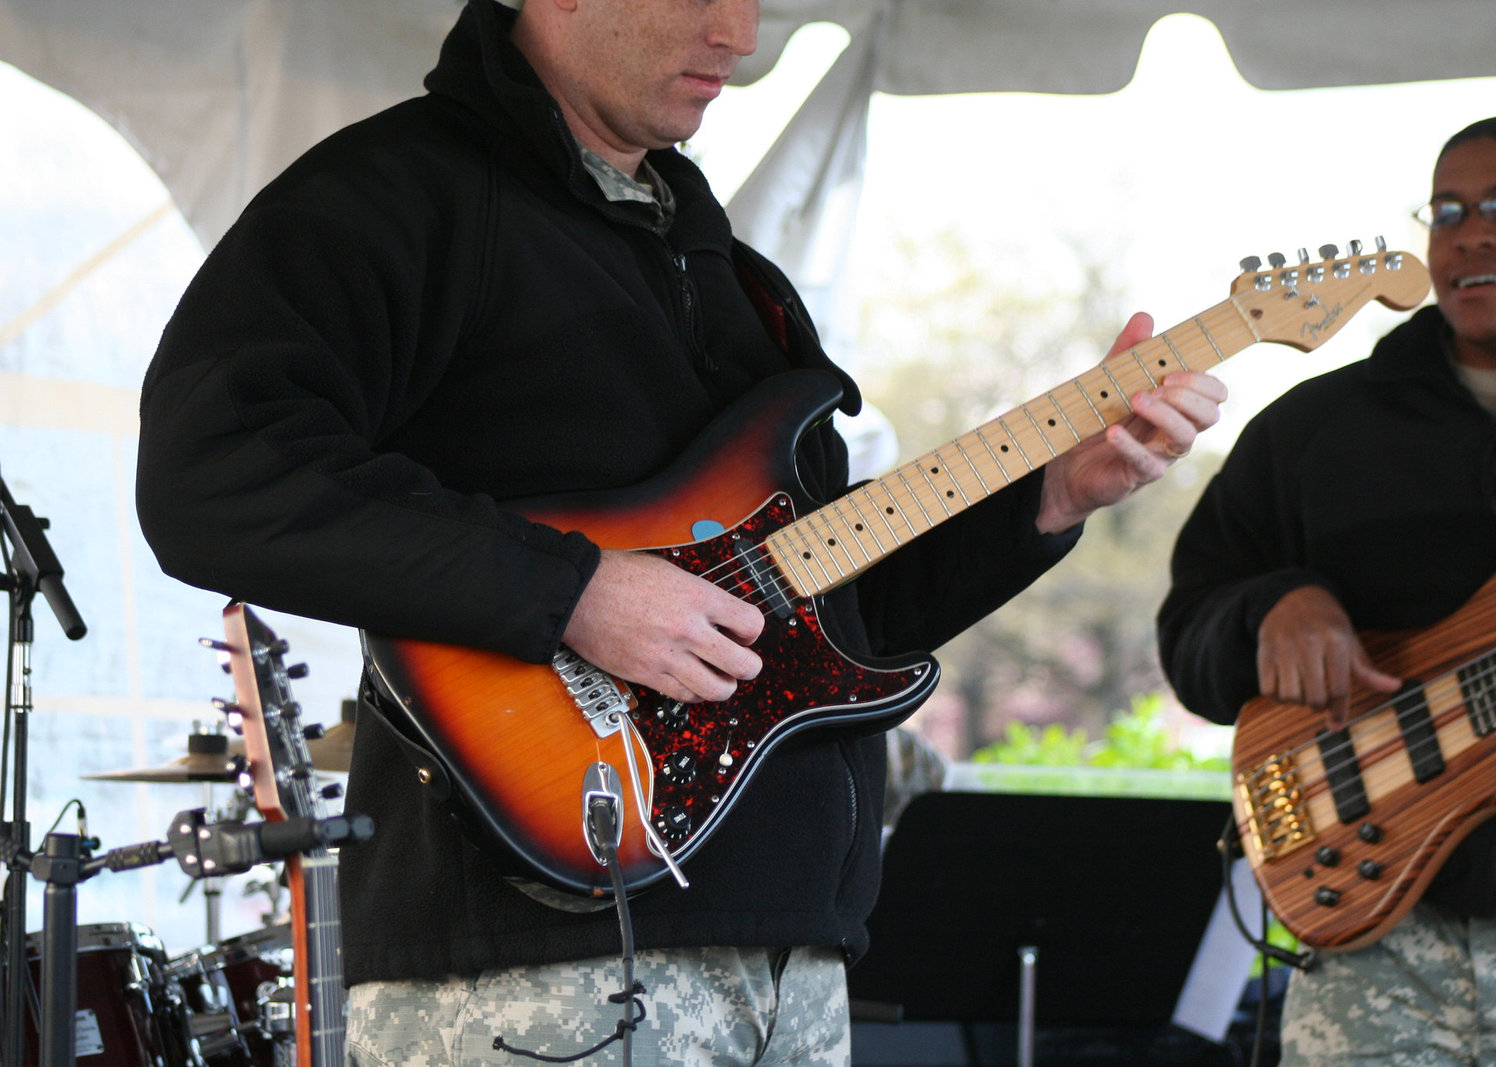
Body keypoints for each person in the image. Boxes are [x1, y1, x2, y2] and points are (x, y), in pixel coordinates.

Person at [135, 0, 1225, 1063]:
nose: (741, 35)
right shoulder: (390, 196)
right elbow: (213, 473)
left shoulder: (728, 274)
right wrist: (573, 591)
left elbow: (831, 623)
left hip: (788, 960)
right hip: (532, 969)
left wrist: (1053, 491)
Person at [1157, 114, 1496, 1067]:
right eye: (1449, 210)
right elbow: (1188, 631)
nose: (1473, 232)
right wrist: (1273, 604)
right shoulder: (1312, 429)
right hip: (1377, 940)